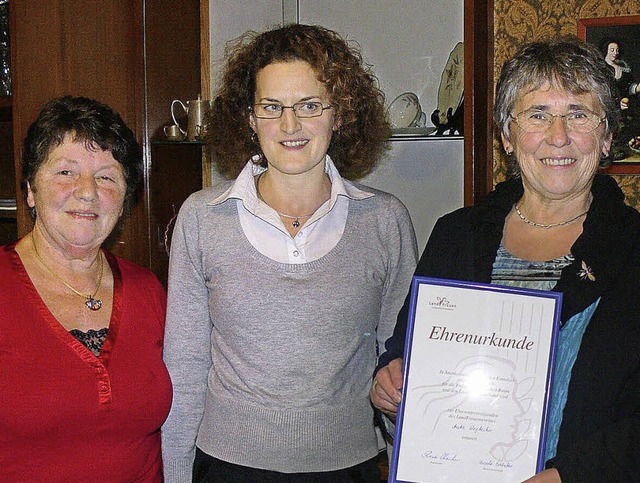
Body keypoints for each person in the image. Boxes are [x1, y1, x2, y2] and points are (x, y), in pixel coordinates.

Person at [372, 36, 640, 482]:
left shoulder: (633, 251)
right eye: (537, 115)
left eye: (579, 114)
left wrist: (566, 476)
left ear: (608, 137)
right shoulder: (456, 235)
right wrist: (391, 379)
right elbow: (408, 350)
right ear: (507, 137)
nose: (559, 136)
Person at [161, 23, 418, 482]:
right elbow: (185, 364)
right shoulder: (201, 218)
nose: (289, 125)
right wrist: (177, 474)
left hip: (349, 466)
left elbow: (398, 362)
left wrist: (411, 456)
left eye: (309, 105)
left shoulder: (385, 221)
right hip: (227, 467)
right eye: (271, 106)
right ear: (249, 117)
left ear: (340, 115)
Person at [0, 96, 172, 481]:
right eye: (65, 172)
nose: (87, 191)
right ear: (30, 189)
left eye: (107, 176)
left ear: (126, 199)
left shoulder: (149, 291)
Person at [600, 37, 640, 158]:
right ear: (605, 50)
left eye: (616, 50)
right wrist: (617, 102)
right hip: (607, 106)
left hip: (624, 106)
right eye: (612, 49)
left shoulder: (623, 67)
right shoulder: (601, 68)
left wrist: (637, 88)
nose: (615, 52)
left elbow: (629, 86)